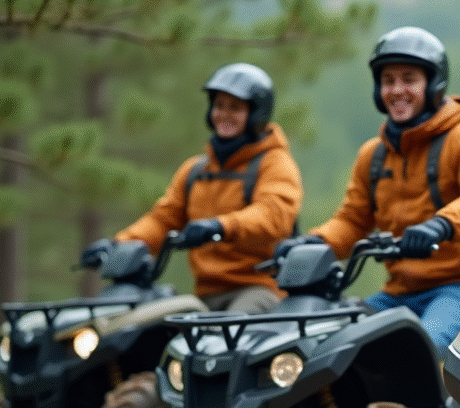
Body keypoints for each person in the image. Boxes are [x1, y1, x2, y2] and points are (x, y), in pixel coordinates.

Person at [279, 26, 460, 355]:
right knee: (329, 345)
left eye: (408, 79)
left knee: (418, 350)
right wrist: (313, 243)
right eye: (388, 81)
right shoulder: (374, 155)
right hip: (397, 292)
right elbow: (353, 220)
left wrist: (440, 225)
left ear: (433, 84)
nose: (396, 90)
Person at [80, 62, 302, 314]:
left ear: (257, 114)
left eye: (235, 108)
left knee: (225, 337)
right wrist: (116, 244)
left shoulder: (275, 163)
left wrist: (220, 226)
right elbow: (163, 221)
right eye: (219, 105)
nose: (224, 115)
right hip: (204, 293)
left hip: (258, 289)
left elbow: (274, 216)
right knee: (149, 332)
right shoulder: (195, 171)